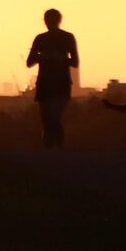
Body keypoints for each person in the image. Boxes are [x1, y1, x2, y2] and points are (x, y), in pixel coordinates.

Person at [25, 8, 79, 150]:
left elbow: (75, 62)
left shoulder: (67, 37)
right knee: (47, 121)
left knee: (53, 118)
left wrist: (60, 59)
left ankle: (57, 149)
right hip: (45, 85)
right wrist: (42, 57)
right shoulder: (40, 39)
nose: (49, 23)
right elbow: (29, 62)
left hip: (60, 85)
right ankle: (50, 150)